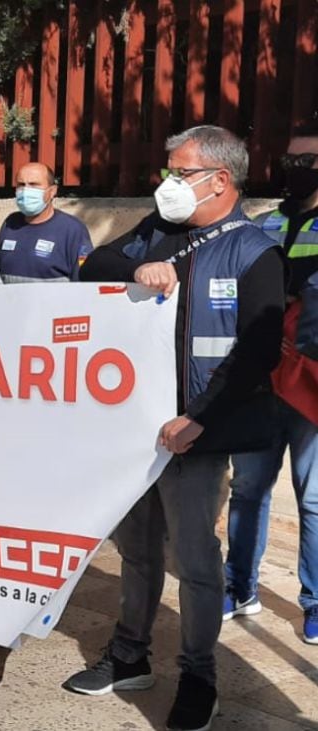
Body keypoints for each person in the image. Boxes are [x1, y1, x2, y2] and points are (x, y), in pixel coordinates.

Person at [63, 125, 285, 731]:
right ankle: (129, 656)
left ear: (220, 180)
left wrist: (198, 420)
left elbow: (258, 352)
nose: (167, 183)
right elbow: (95, 264)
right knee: (136, 552)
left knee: (194, 560)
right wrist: (141, 270)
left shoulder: (255, 251)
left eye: (180, 172)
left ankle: (198, 673)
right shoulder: (159, 234)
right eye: (167, 171)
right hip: (140, 430)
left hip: (197, 435)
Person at [223, 121, 318, 642]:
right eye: (291, 160)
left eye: (308, 162)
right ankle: (239, 588)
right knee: (249, 490)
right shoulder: (260, 225)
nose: (295, 170)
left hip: (310, 388)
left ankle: (315, 601)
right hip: (261, 382)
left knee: (314, 500)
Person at [0, 162, 93, 282]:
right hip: (11, 300)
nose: (26, 191)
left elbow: (84, 281)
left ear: (52, 191)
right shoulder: (10, 223)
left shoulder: (72, 230)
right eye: (21, 185)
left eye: (34, 185)